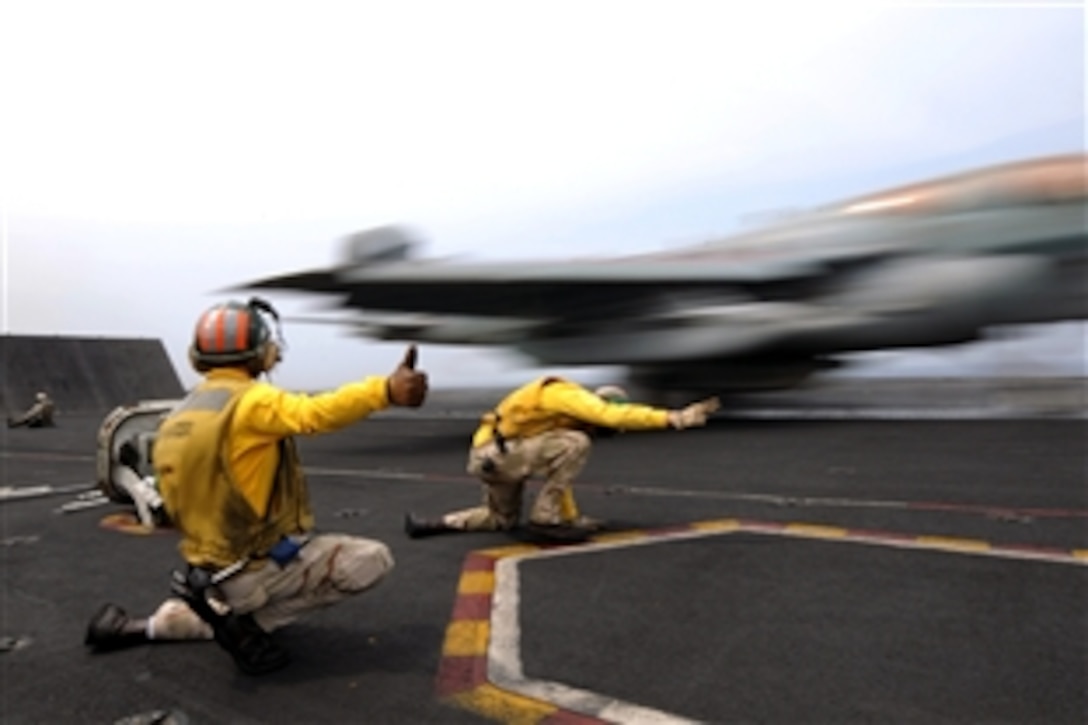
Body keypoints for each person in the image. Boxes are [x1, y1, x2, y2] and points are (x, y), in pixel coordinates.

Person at [83, 297, 428, 675]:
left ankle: (150, 626)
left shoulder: (179, 415)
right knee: (372, 560)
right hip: (253, 567)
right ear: (261, 352)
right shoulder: (251, 401)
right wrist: (386, 391)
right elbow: (314, 414)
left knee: (245, 583)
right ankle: (244, 627)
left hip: (208, 570)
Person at [404, 377, 719, 539]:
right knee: (576, 443)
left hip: (491, 458)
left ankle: (433, 524)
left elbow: (560, 479)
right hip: (498, 456)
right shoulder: (568, 396)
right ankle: (544, 521)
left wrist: (573, 518)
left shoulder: (560, 418)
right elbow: (606, 415)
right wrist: (673, 419)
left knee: (501, 519)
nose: (599, 431)